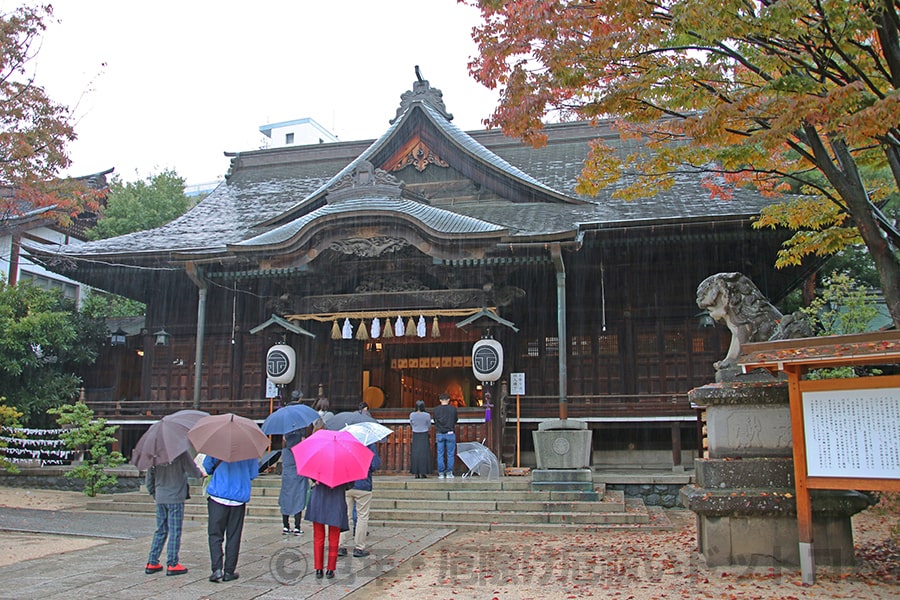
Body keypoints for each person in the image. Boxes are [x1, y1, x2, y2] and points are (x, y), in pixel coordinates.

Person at [144, 450, 203, 576]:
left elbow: (149, 479)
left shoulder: (155, 455)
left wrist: (154, 494)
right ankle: (172, 563)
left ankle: (152, 561)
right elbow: (193, 471)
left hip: (160, 496)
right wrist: (201, 473)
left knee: (160, 530)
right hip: (175, 496)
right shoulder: (181, 453)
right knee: (175, 531)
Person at [203, 454, 258, 583]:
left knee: (215, 534)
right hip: (238, 498)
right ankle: (229, 571)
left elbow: (208, 466)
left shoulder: (217, 443)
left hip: (218, 494)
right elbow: (253, 473)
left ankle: (216, 569)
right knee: (234, 536)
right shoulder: (249, 449)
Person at [338, 443, 381, 557]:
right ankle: (359, 547)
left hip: (346, 482)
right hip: (363, 484)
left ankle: (340, 545)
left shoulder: (345, 443)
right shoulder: (368, 444)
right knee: (362, 516)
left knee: (345, 515)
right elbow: (375, 464)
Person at [305, 480, 349, 579]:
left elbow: (312, 478)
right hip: (336, 499)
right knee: (334, 538)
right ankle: (330, 569)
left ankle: (318, 569)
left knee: (318, 537)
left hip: (318, 499)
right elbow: (349, 485)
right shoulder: (342, 466)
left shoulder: (317, 464)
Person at [279, 426, 309, 535]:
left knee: (286, 499)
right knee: (298, 498)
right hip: (299, 476)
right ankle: (297, 526)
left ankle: (285, 525)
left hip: (287, 477)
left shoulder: (285, 452)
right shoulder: (301, 450)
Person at [433, 392, 458, 479]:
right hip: (450, 433)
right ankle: (449, 473)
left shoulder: (436, 410)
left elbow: (435, 420)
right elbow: (456, 420)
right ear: (448, 400)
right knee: (450, 454)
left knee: (440, 454)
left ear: (440, 400)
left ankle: (441, 473)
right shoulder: (453, 409)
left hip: (440, 433)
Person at [409, 400, 432, 479]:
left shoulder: (412, 415)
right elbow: (429, 425)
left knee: (415, 453)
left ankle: (416, 472)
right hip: (424, 434)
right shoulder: (427, 415)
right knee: (424, 453)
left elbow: (411, 424)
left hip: (415, 434)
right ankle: (423, 472)